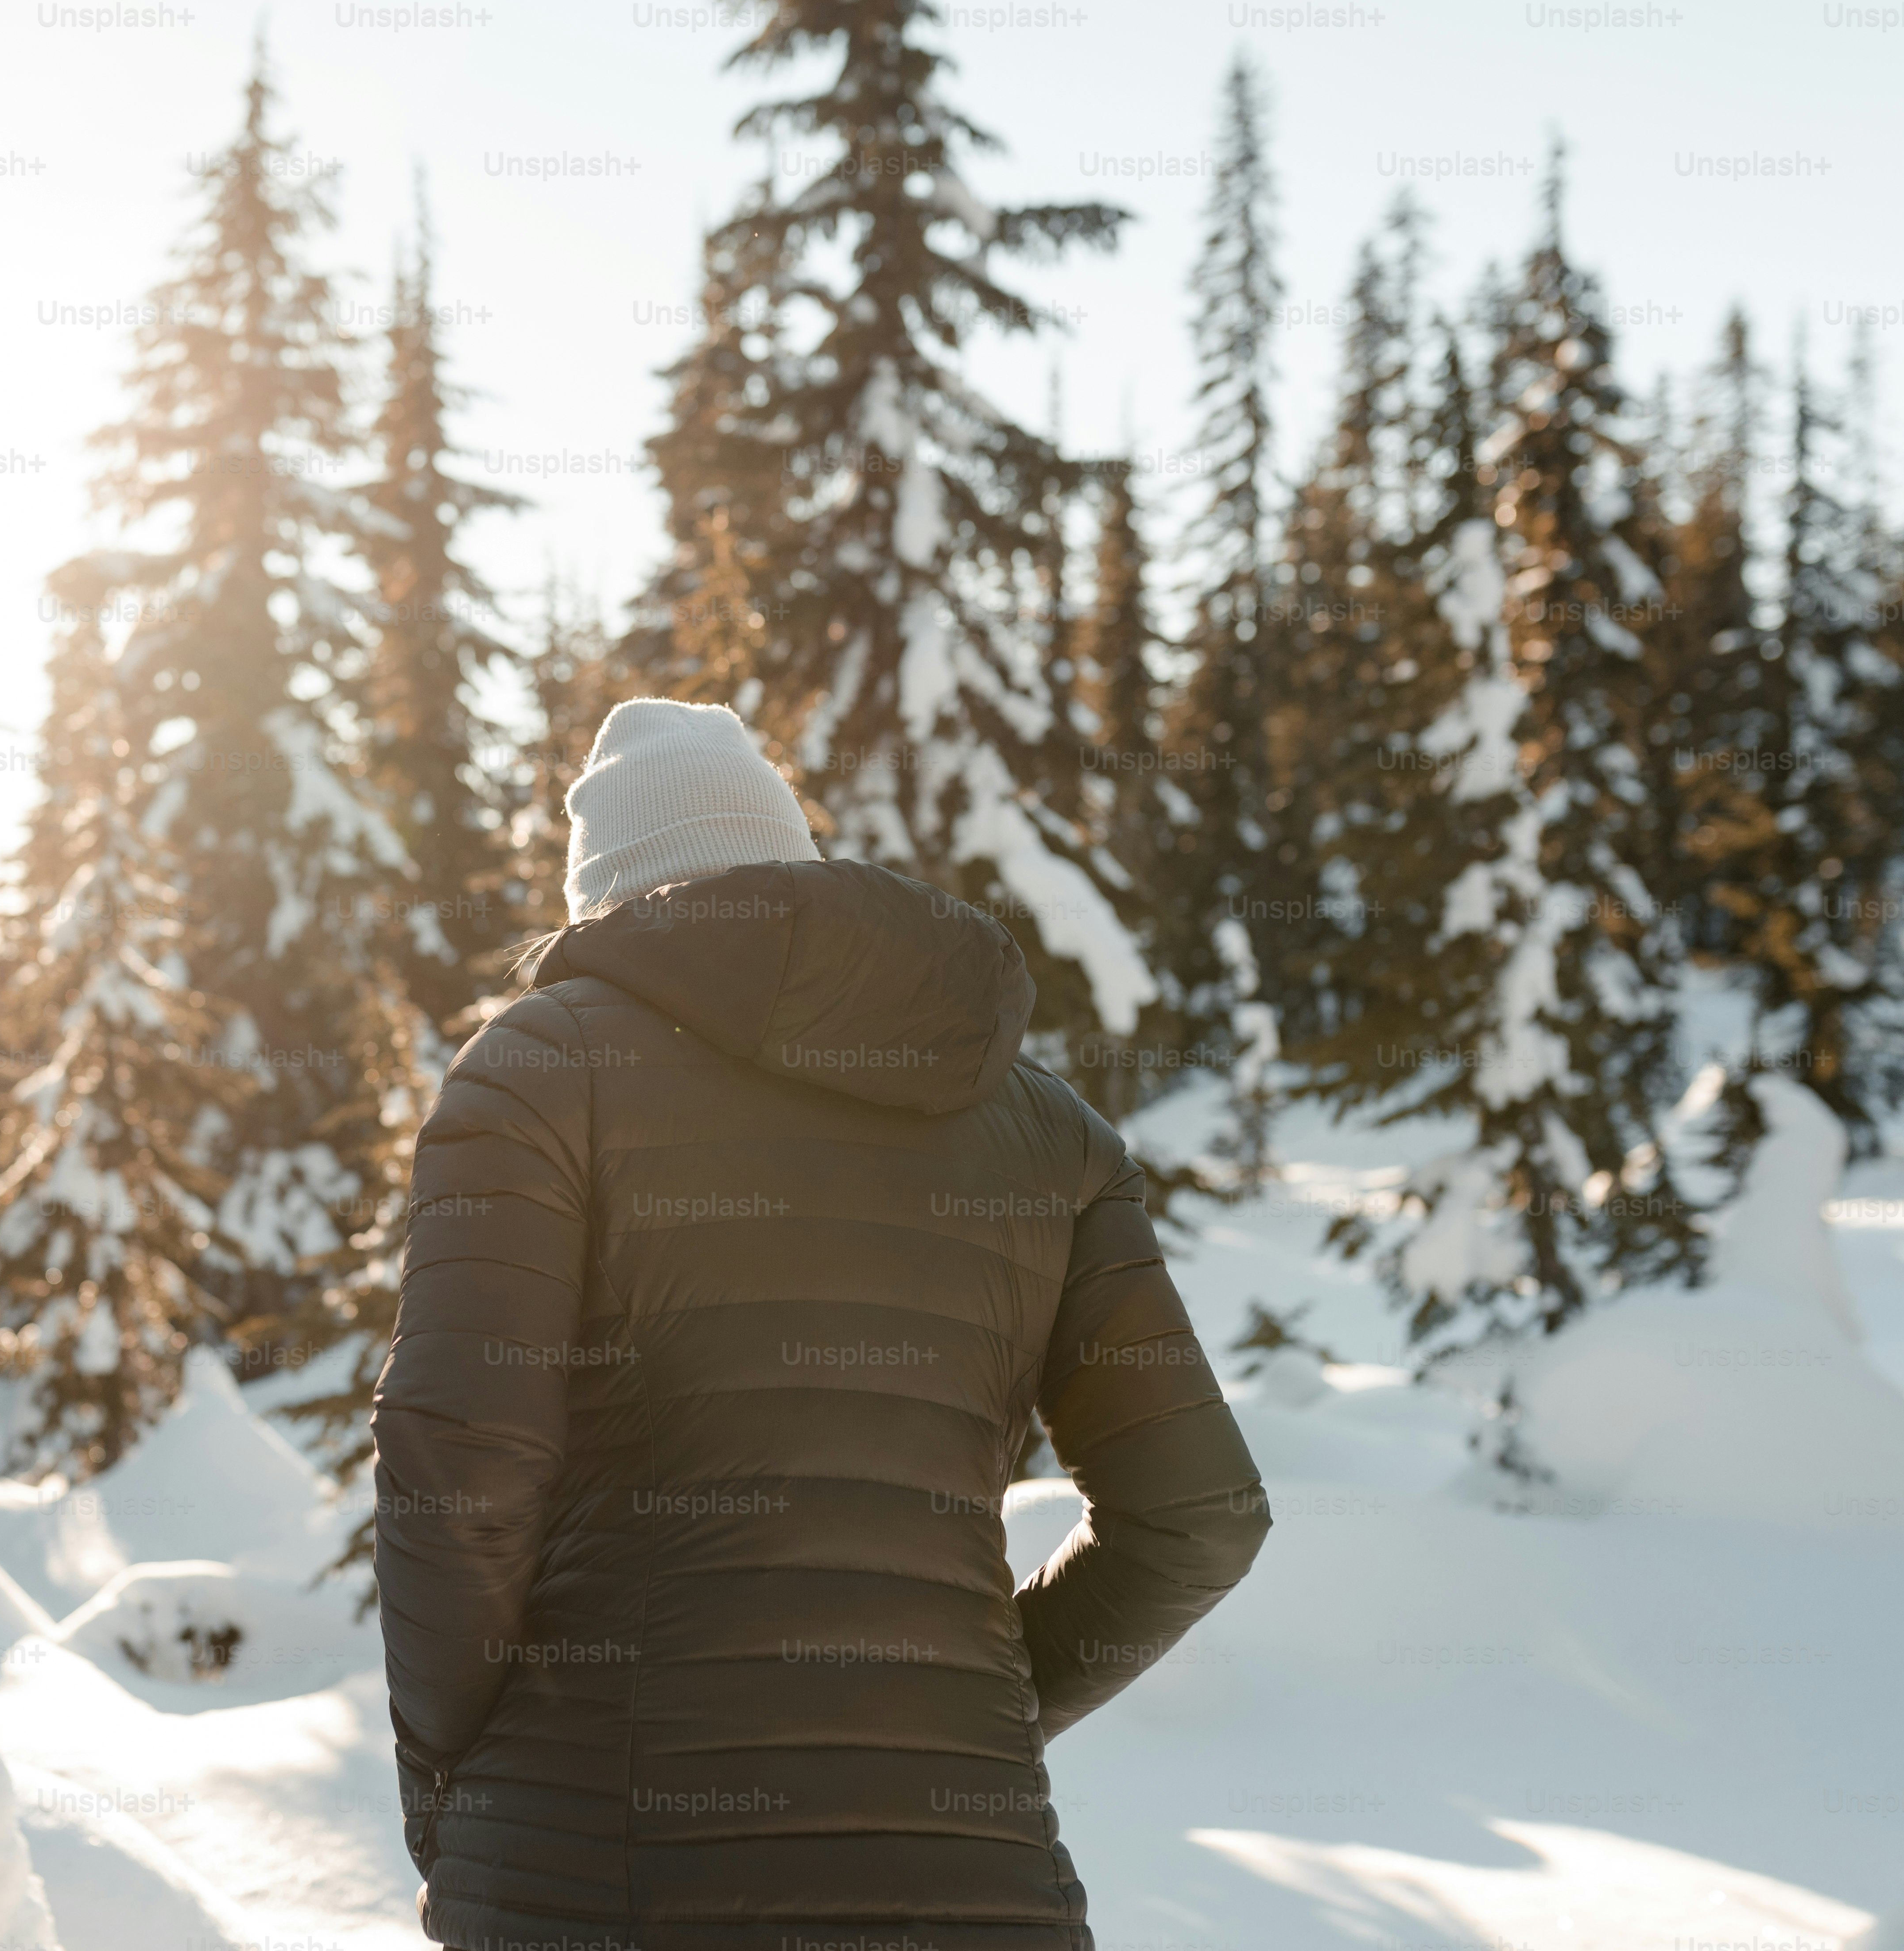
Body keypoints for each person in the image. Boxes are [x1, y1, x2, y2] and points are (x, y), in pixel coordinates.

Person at [373, 697, 1273, 1951]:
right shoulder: (1051, 1130)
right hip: (984, 1888)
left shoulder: (542, 1068)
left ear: (602, 906)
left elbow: (460, 1471)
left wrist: (453, 1789)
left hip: (610, 1869)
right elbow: (1201, 1517)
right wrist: (965, 1725)